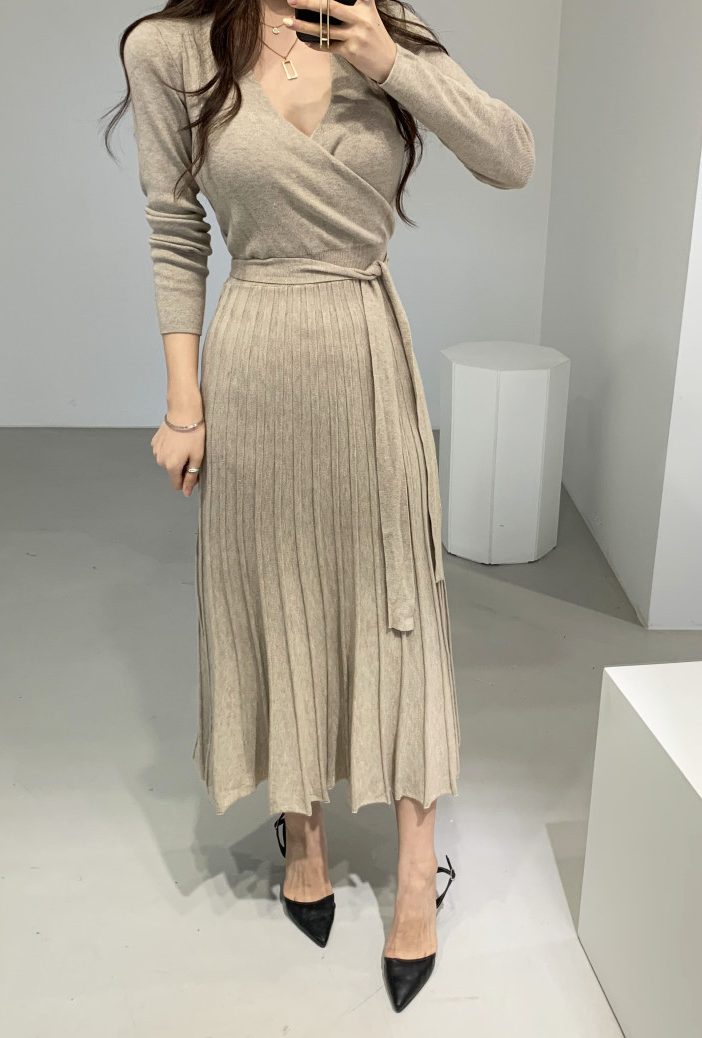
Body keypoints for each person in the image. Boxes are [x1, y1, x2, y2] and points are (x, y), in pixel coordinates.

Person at [105, 0, 535, 1012]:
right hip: (255, 354)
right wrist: (183, 406)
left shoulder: (386, 29)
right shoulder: (171, 50)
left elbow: (510, 158)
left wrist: (390, 61)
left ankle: (417, 864)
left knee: (398, 608)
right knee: (276, 601)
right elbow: (174, 229)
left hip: (364, 348)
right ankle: (301, 828)